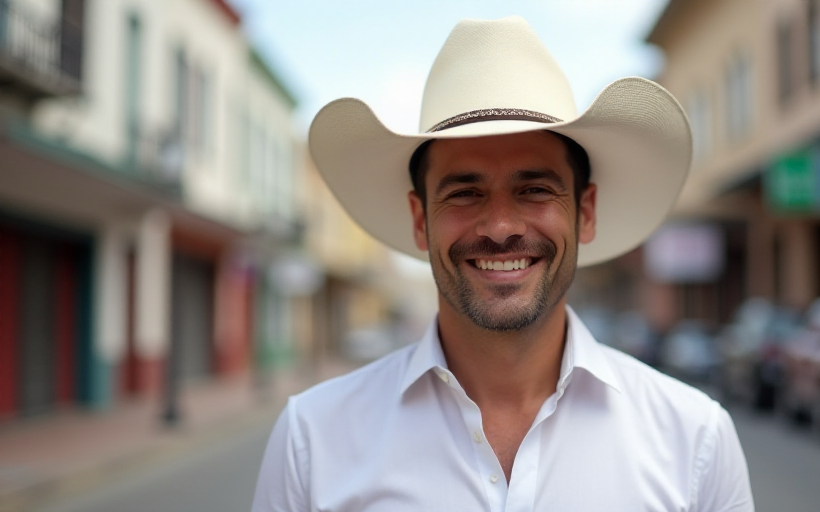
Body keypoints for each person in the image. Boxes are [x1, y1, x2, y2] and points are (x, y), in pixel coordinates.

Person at [252, 16, 754, 512]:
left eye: (534, 190)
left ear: (585, 211)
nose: (499, 227)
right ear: (420, 219)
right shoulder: (312, 440)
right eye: (464, 193)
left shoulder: (696, 442)